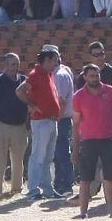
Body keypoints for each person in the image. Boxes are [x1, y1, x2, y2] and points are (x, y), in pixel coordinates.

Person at [71, 64, 112, 219]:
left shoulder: (111, 91)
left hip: (107, 140)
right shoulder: (78, 96)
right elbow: (76, 124)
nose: (95, 78)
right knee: (85, 178)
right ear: (85, 77)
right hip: (88, 141)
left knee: (110, 177)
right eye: (91, 76)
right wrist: (75, 149)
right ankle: (83, 212)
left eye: (97, 75)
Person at [16, 49, 62, 201]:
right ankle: (33, 189)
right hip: (41, 121)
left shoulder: (48, 74)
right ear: (47, 60)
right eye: (54, 60)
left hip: (51, 120)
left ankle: (48, 188)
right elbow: (20, 91)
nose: (56, 63)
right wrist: (32, 105)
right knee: (38, 156)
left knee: (48, 156)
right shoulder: (35, 75)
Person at [0, 53, 28, 198]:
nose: (15, 67)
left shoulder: (24, 81)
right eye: (12, 64)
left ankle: (16, 189)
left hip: (19, 125)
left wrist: (28, 123)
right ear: (6, 65)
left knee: (18, 159)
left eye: (17, 64)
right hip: (0, 124)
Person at [49, 46, 76, 197]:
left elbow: (61, 101)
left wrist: (56, 119)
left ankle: (64, 185)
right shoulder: (62, 71)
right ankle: (61, 184)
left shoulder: (59, 75)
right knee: (60, 152)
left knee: (61, 153)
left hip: (61, 119)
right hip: (62, 119)